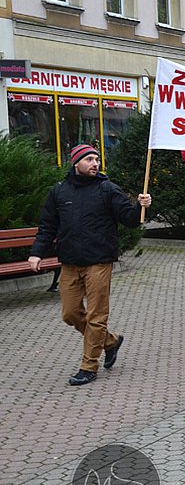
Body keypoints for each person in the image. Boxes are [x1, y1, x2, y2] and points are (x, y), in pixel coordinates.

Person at [29, 144, 152, 386]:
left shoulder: (107, 189)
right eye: (89, 159)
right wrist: (36, 253)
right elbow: (47, 226)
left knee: (97, 316)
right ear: (76, 163)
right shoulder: (59, 191)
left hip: (99, 261)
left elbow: (129, 220)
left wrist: (140, 206)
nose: (95, 163)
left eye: (97, 159)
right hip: (70, 261)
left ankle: (89, 366)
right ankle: (110, 342)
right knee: (70, 313)